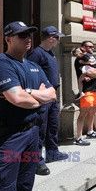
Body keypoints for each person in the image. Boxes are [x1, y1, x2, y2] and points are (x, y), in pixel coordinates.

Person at [0, 21, 56, 191]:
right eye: (22, 35)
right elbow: (17, 98)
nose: (28, 39)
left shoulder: (33, 66)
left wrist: (28, 91)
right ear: (8, 39)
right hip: (8, 138)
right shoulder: (0, 63)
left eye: (29, 35)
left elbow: (52, 94)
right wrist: (39, 99)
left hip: (31, 135)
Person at [27, 26, 68, 176]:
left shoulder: (49, 53)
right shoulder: (36, 54)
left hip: (52, 97)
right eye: (57, 38)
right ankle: (37, 161)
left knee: (52, 126)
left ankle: (52, 152)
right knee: (40, 130)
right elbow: (30, 76)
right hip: (42, 98)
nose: (58, 41)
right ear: (51, 38)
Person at [73, 41, 96, 145]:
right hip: (87, 90)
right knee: (84, 113)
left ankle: (90, 131)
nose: (92, 48)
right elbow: (88, 72)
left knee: (93, 111)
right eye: (89, 46)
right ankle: (79, 137)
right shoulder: (80, 59)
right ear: (83, 47)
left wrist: (95, 74)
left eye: (93, 46)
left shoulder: (92, 58)